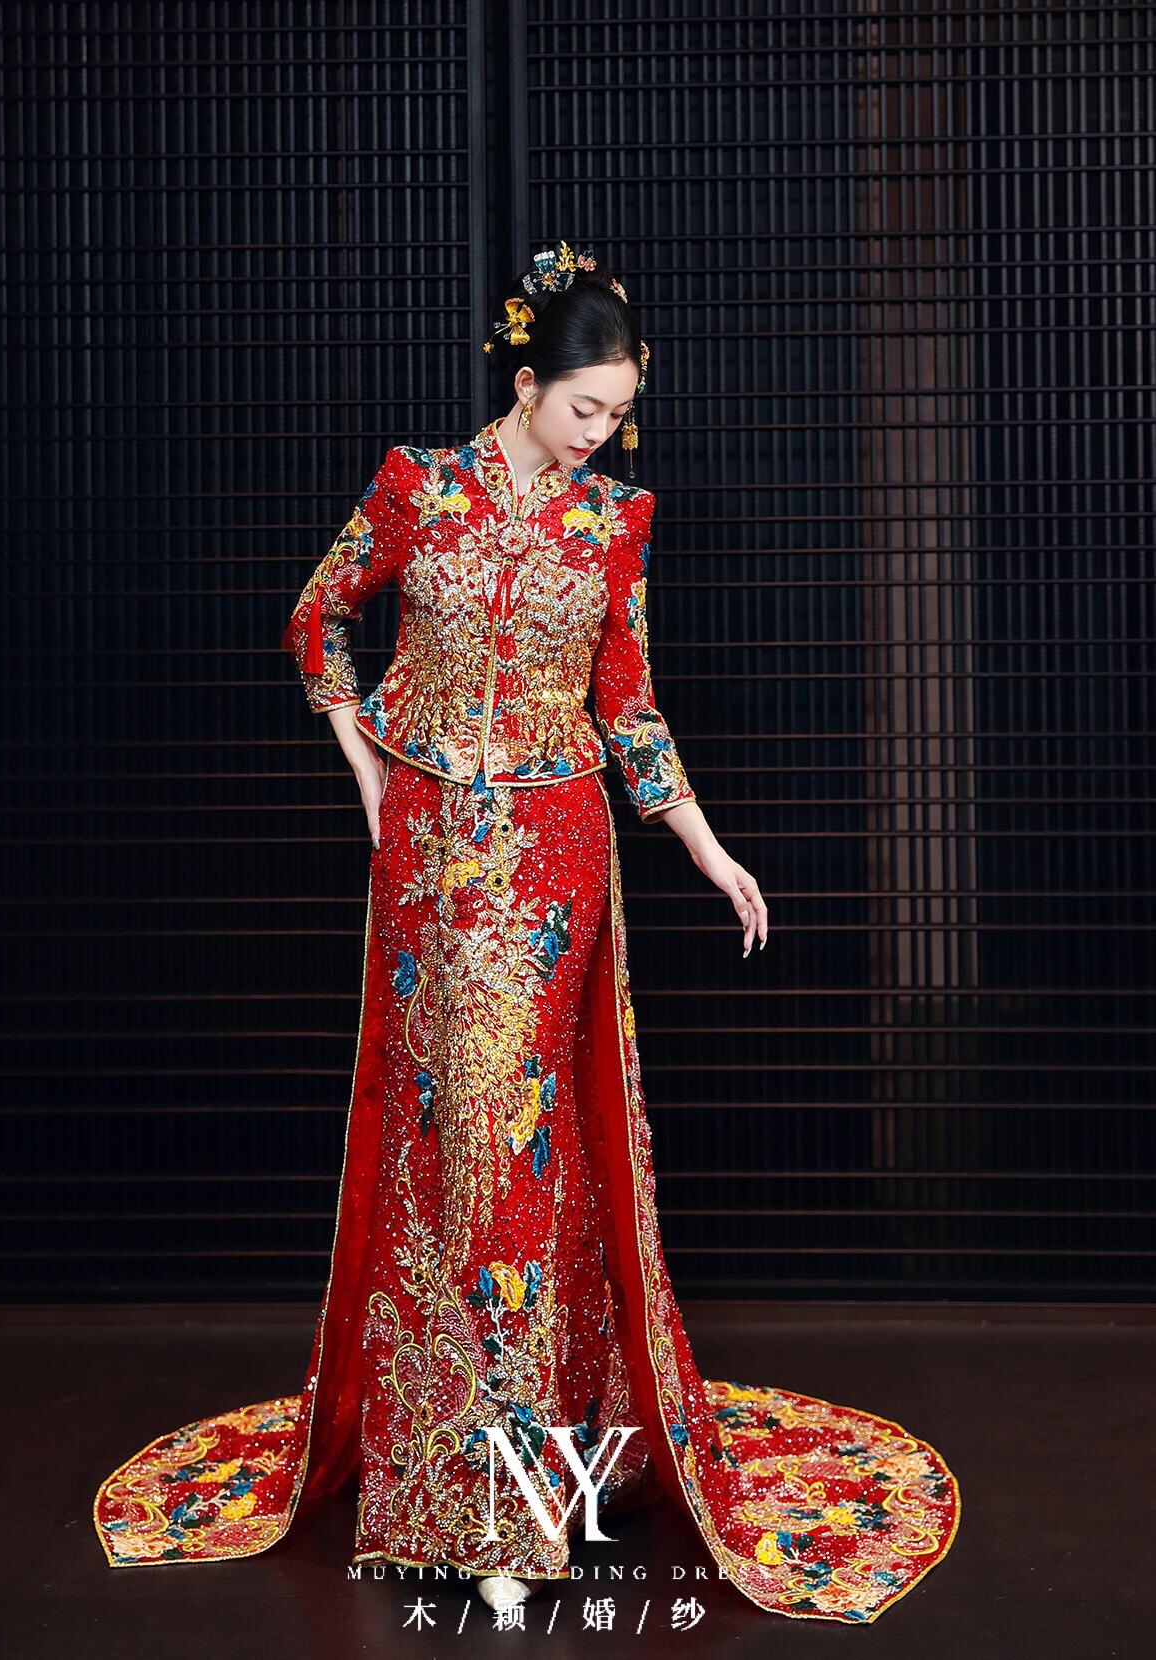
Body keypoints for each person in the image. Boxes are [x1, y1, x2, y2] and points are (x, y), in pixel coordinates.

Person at [93, 240, 960, 1623]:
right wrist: (370, 771)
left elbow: (628, 700)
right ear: (525, 384)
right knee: (446, 1146)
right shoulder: (419, 490)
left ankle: (511, 1492)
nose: (601, 432)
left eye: (617, 414)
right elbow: (317, 621)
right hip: (433, 862)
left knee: (524, 1147)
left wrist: (705, 846)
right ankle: (451, 1481)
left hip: (559, 858)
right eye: (584, 407)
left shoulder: (613, 521)